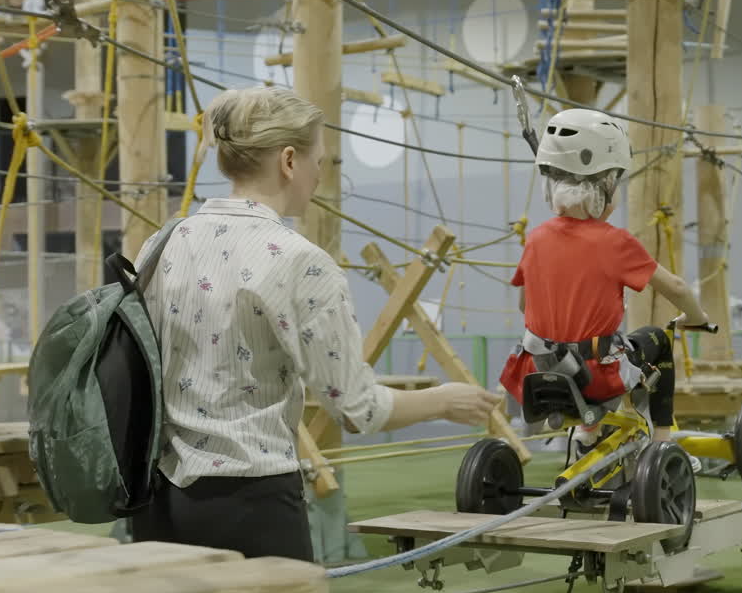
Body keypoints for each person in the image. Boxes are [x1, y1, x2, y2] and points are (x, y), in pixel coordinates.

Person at [132, 86, 499, 560]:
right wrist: (443, 402)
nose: (319, 175)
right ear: (288, 161)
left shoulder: (163, 243)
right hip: (251, 503)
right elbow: (358, 408)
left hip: (157, 502)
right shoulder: (301, 262)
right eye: (319, 162)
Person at [498, 108, 711, 454]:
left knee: (585, 343)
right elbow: (677, 288)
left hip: (535, 373)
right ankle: (662, 444)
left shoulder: (535, 239)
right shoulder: (616, 242)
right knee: (656, 339)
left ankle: (588, 429)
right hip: (595, 377)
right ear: (605, 185)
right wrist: (698, 318)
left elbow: (525, 304)